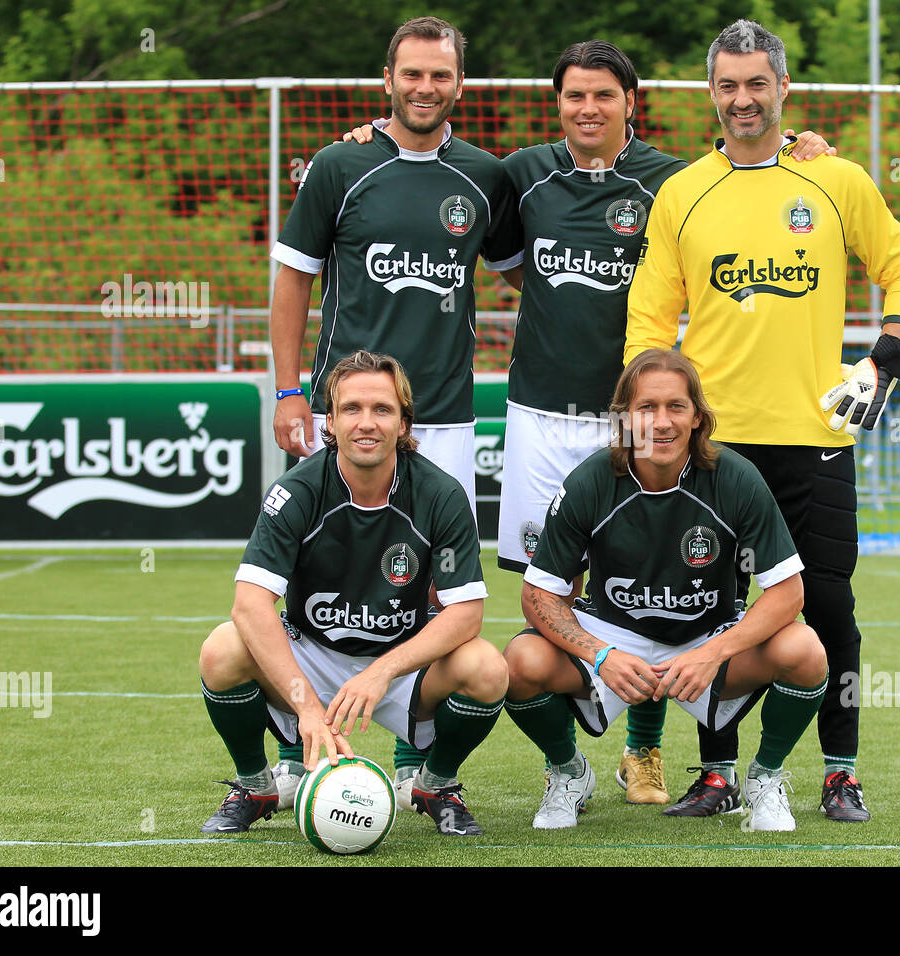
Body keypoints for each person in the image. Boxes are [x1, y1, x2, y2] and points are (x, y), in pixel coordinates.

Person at [342, 41, 833, 807]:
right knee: (543, 594)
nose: (588, 108)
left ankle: (643, 752)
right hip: (541, 416)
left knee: (658, 571)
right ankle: (544, 766)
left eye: (604, 95)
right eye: (574, 96)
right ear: (558, 103)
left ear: (630, 101)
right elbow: (464, 211)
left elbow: (741, 164)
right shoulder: (522, 174)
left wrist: (802, 148)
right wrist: (375, 135)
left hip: (643, 423)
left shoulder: (672, 177)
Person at [625, 19, 900, 821]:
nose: (743, 99)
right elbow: (650, 318)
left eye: (758, 83)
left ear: (783, 88)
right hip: (717, 448)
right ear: (711, 93)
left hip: (816, 441)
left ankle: (841, 771)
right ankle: (718, 774)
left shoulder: (836, 182)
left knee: (828, 608)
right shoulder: (683, 193)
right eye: (728, 85)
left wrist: (883, 355)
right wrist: (652, 419)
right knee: (713, 612)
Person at [266, 15, 522, 808]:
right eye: (411, 74)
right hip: (343, 416)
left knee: (436, 599)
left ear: (458, 85)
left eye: (440, 76)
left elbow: (533, 271)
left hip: (442, 418)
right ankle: (296, 743)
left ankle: (422, 761)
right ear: (387, 80)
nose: (425, 87)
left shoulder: (485, 175)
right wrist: (284, 391)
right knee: (313, 580)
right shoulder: (339, 166)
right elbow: (292, 280)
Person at [504, 348, 828, 832]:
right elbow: (539, 595)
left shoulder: (735, 477)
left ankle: (765, 778)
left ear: (697, 416)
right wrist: (600, 655)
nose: (661, 422)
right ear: (623, 418)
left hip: (707, 637)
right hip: (615, 636)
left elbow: (788, 593)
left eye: (676, 406)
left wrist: (714, 653)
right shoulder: (591, 480)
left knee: (805, 650)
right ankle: (569, 772)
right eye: (646, 408)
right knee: (518, 662)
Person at [198, 351, 507, 837]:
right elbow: (249, 604)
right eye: (352, 409)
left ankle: (436, 785)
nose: (367, 423)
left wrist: (382, 672)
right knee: (221, 649)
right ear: (331, 421)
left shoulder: (441, 494)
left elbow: (465, 614)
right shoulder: (296, 491)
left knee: (487, 668)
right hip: (312, 655)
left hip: (399, 660)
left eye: (382, 410)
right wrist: (305, 706)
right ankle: (255, 785)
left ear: (405, 423)